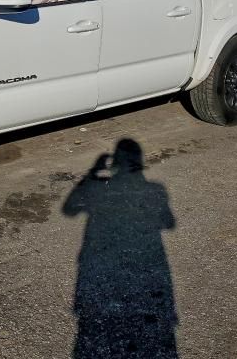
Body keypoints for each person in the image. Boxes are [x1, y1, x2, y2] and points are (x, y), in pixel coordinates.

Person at [63, 139, 178, 358]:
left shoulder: (99, 188)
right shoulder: (155, 189)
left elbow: (69, 209)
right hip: (148, 266)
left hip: (97, 263)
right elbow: (169, 223)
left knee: (94, 328)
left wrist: (92, 174)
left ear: (115, 162)